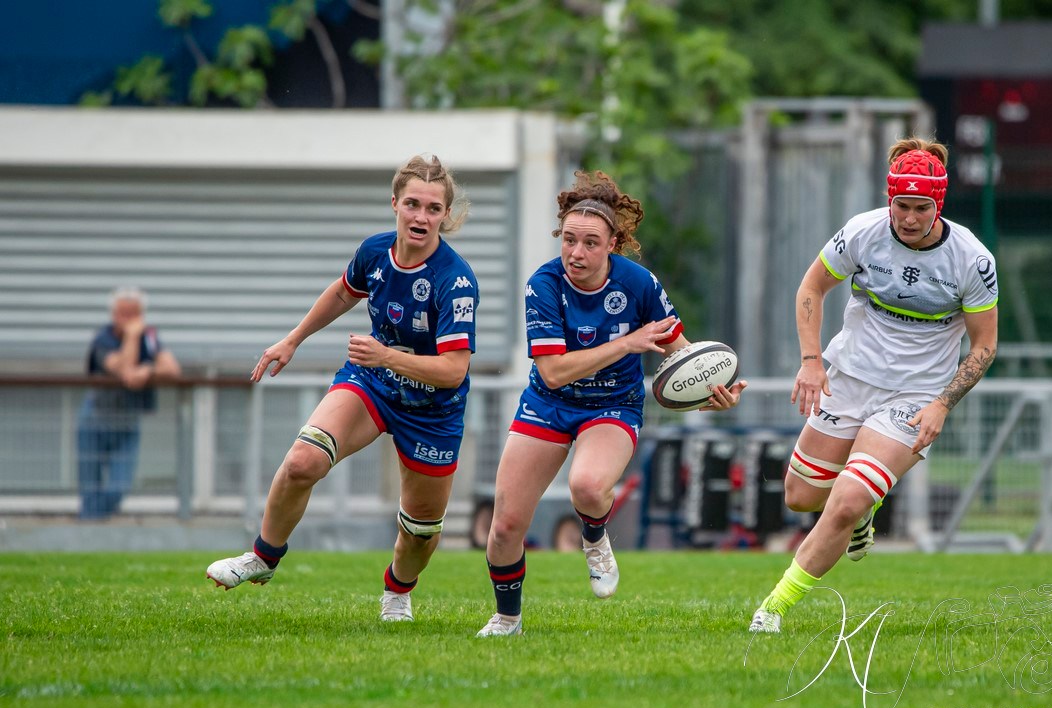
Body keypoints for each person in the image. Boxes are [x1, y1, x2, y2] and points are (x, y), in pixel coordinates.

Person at [205, 154, 479, 624]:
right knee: (302, 461)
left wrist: (387, 355)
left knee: (420, 531)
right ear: (394, 204)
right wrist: (292, 339)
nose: (421, 216)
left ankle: (397, 591)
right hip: (372, 383)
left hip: (433, 409)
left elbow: (454, 370)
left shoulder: (455, 280)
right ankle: (262, 557)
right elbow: (342, 292)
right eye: (412, 204)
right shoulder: (374, 252)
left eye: (433, 208)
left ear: (445, 215)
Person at [476, 170, 747, 637]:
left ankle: (594, 536)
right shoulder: (543, 285)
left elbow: (679, 349)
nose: (576, 253)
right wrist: (626, 344)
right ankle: (507, 618)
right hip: (548, 402)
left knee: (587, 486)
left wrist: (713, 388)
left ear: (613, 244)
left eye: (590, 243)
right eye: (569, 240)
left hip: (613, 404)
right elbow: (553, 372)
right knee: (504, 527)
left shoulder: (639, 284)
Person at [748, 138, 999, 634]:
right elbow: (812, 287)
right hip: (849, 378)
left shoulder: (972, 259)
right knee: (800, 495)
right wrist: (811, 362)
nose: (909, 218)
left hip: (914, 397)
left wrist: (942, 404)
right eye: (901, 205)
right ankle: (864, 514)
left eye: (921, 207)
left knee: (846, 500)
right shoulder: (863, 233)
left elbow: (984, 346)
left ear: (939, 204)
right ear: (890, 199)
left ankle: (772, 609)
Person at [77, 287, 182, 519]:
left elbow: (172, 369)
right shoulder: (103, 339)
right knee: (90, 488)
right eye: (123, 313)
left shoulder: (149, 338)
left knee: (119, 486)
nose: (129, 320)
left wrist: (149, 369)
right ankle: (90, 523)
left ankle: (98, 517)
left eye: (134, 314)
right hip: (95, 418)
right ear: (113, 314)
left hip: (128, 420)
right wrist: (132, 337)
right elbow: (124, 370)